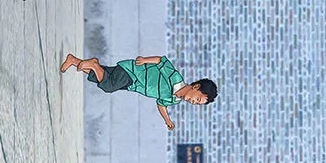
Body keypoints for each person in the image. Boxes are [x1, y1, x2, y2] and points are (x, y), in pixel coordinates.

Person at [61, 46, 218, 130]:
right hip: (134, 72)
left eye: (197, 103)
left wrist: (167, 120)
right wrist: (144, 60)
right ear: (196, 86)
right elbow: (161, 61)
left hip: (133, 85)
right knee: (108, 85)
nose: (194, 102)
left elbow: (161, 104)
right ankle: (93, 64)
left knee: (103, 76)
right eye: (197, 98)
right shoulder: (175, 78)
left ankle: (73, 60)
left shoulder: (174, 99)